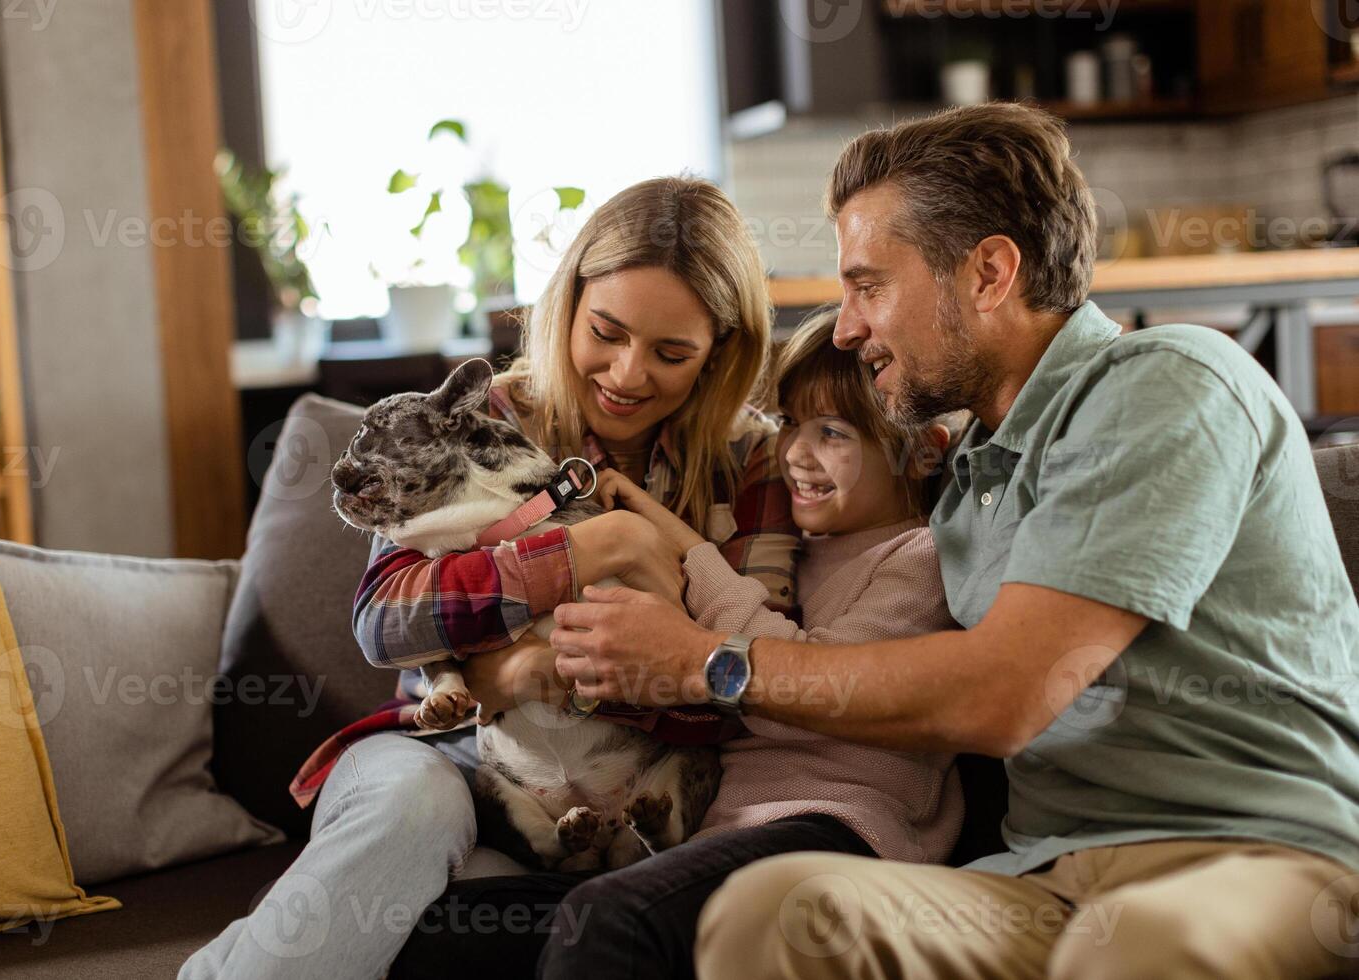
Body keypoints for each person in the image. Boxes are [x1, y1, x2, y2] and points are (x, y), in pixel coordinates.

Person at [539, 104, 1359, 980]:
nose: (847, 329)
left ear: (990, 273)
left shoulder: (1169, 383)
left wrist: (708, 662)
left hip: (1260, 859)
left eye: (868, 286)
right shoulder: (963, 478)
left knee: (1127, 957)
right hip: (1046, 877)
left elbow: (1009, 691)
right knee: (769, 914)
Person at [179, 176, 799, 980]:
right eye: (605, 331)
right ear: (566, 305)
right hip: (445, 753)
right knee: (413, 807)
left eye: (672, 353)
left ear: (722, 351)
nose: (626, 372)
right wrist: (593, 548)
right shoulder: (485, 419)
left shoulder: (754, 462)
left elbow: (754, 668)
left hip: (625, 774)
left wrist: (516, 670)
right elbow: (386, 620)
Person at [389, 306, 966, 980]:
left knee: (612, 923)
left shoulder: (916, 557)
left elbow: (804, 686)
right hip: (724, 824)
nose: (796, 455)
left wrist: (683, 544)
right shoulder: (797, 555)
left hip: (838, 828)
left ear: (924, 450)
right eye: (790, 425)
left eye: (832, 433)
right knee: (439, 936)